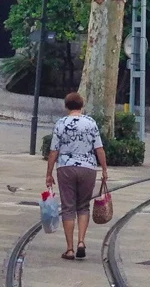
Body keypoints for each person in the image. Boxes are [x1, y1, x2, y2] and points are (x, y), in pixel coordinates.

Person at [44, 91, 107, 261]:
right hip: (88, 168)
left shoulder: (61, 123)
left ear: (66, 106)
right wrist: (105, 170)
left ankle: (70, 249)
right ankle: (81, 242)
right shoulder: (90, 123)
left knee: (68, 207)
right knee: (83, 206)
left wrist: (49, 173)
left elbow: (53, 151)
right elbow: (99, 148)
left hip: (65, 168)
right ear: (82, 106)